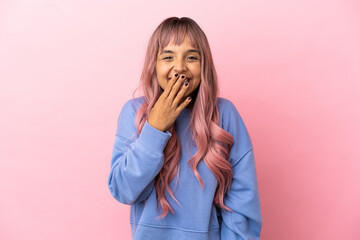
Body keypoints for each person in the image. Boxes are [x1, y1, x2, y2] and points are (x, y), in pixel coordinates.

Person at [108, 16, 262, 240]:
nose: (179, 67)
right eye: (168, 57)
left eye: (191, 57)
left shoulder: (225, 115)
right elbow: (123, 190)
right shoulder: (133, 112)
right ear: (154, 64)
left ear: (204, 65)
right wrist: (155, 128)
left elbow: (242, 204)